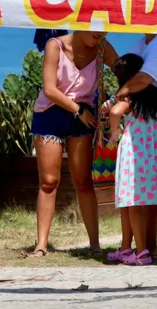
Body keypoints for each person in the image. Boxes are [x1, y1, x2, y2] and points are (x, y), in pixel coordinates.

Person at [28, 31, 117, 258]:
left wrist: (117, 101)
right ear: (81, 23)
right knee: (49, 181)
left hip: (84, 115)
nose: (99, 38)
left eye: (103, 35)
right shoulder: (54, 46)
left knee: (83, 181)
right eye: (96, 34)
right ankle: (41, 244)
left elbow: (123, 71)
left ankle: (95, 245)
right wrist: (77, 111)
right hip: (51, 114)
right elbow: (49, 89)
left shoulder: (102, 48)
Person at [105, 33, 157, 260]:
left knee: (145, 195)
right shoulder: (142, 45)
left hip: (144, 144)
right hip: (154, 143)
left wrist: (114, 126)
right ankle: (145, 246)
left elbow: (143, 78)